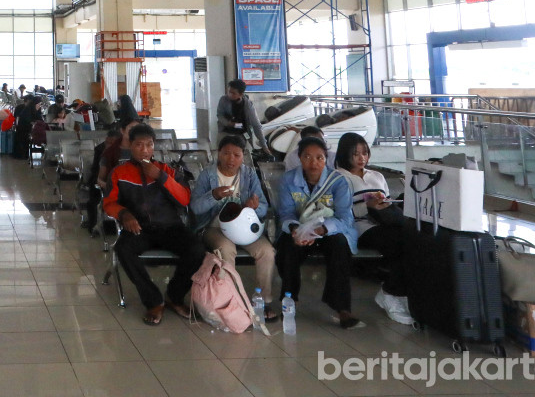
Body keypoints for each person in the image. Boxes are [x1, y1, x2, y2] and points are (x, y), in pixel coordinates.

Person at [104, 125, 205, 325]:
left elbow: (184, 199)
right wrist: (124, 214)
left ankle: (174, 296)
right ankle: (154, 301)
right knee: (123, 249)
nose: (144, 150)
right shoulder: (119, 172)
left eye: (149, 145)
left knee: (197, 249)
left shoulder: (167, 170)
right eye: (139, 145)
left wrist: (161, 177)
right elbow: (108, 203)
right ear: (130, 146)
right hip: (139, 228)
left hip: (170, 227)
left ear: (154, 147)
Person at [275, 137, 362, 329]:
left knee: (339, 246)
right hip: (299, 229)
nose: (313, 163)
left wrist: (322, 230)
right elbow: (285, 213)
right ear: (299, 158)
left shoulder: (338, 181)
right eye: (307, 157)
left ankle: (342, 309)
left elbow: (345, 218)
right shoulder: (289, 180)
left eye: (319, 158)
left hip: (329, 231)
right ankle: (290, 300)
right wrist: (296, 230)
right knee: (286, 248)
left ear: (326, 159)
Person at [190, 135, 278, 320]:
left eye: (236, 155)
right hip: (214, 228)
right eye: (226, 154)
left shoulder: (248, 174)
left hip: (243, 228)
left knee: (266, 251)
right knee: (226, 250)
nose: (231, 159)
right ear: (218, 154)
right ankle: (232, 300)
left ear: (243, 156)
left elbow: (263, 206)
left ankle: (264, 301)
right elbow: (196, 208)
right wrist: (213, 195)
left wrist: (254, 206)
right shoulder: (208, 175)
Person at [335, 132, 412, 325]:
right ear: (345, 154)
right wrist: (366, 206)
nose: (362, 158)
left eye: (365, 153)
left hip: (384, 222)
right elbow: (337, 212)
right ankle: (391, 292)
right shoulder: (338, 178)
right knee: (399, 242)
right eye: (355, 154)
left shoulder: (376, 176)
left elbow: (387, 204)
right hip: (359, 227)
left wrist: (383, 204)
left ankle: (400, 290)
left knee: (413, 239)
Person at [217, 79, 266, 151]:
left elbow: (256, 125)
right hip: (225, 132)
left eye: (233, 93)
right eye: (229, 92)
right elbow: (219, 115)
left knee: (240, 153)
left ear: (241, 94)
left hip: (242, 134)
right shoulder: (223, 100)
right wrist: (228, 123)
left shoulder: (247, 105)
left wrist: (264, 145)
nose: (230, 95)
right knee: (223, 151)